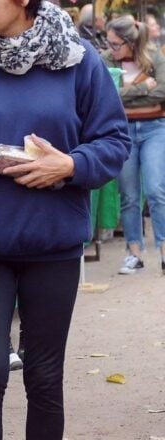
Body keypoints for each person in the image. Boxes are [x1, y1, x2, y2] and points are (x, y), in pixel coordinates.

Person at [0, 0, 131, 438]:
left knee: (45, 378)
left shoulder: (78, 61)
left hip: (54, 247)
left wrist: (70, 165)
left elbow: (114, 140)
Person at [101, 16, 165, 275]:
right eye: (110, 43)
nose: (111, 48)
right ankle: (134, 253)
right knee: (128, 196)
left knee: (155, 190)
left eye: (116, 44)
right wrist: (142, 88)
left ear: (131, 42)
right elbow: (107, 93)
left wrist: (125, 88)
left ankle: (163, 250)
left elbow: (163, 92)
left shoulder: (153, 57)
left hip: (154, 128)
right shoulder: (107, 59)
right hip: (123, 131)